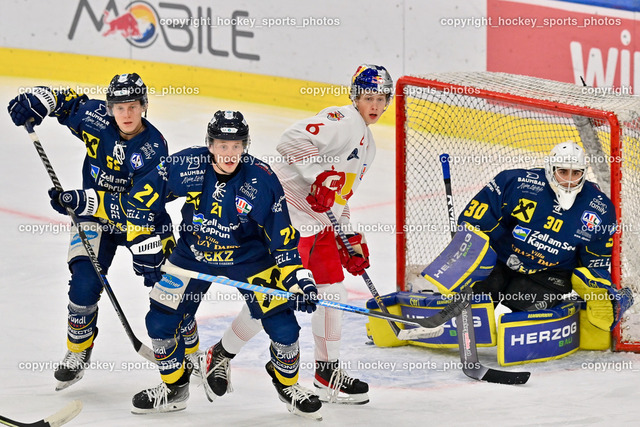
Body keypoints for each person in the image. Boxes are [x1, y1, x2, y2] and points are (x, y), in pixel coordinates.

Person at [53, 110, 323, 418]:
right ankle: (174, 388)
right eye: (222, 145)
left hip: (249, 260)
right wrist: (88, 201)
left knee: (284, 326)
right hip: (193, 256)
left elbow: (282, 241)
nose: (229, 153)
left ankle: (288, 385)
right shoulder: (187, 166)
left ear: (245, 146)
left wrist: (299, 280)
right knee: (160, 321)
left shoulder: (262, 180)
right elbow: (138, 202)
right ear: (210, 145)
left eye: (236, 146)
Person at [210, 64, 394, 405]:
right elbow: (290, 141)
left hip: (320, 225)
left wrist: (348, 236)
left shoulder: (367, 145)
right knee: (271, 300)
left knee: (332, 294)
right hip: (287, 219)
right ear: (356, 97)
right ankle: (220, 355)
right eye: (368, 97)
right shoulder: (342, 120)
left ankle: (327, 373)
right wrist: (318, 176)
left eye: (381, 99)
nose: (374, 105)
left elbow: (338, 196)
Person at [6, 73, 201, 391]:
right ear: (109, 108)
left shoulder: (153, 148)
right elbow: (65, 100)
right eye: (119, 107)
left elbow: (138, 208)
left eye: (133, 106)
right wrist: (38, 100)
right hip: (95, 220)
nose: (126, 114)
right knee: (82, 286)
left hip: (144, 223)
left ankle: (192, 350)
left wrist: (84, 200)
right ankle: (78, 352)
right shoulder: (95, 118)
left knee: (168, 292)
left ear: (144, 107)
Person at [460, 141, 632, 329]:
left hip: (549, 275)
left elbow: (594, 258)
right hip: (500, 261)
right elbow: (476, 221)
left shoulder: (599, 208)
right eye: (563, 171)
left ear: (584, 173)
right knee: (476, 305)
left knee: (524, 324)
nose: (569, 180)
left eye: (576, 173)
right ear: (550, 168)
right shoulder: (517, 183)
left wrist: (598, 289)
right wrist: (466, 254)